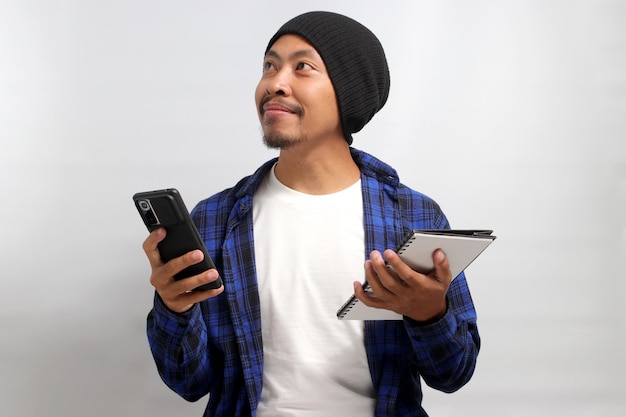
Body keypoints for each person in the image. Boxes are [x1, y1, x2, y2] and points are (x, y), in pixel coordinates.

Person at [142, 11, 480, 417]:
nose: (274, 83)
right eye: (269, 65)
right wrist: (174, 308)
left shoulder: (412, 215)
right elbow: (188, 383)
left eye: (302, 67)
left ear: (347, 92)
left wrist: (430, 315)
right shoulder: (216, 218)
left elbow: (454, 373)